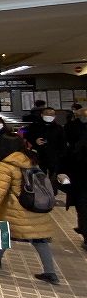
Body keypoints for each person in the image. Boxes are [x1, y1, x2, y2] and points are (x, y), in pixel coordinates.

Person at [0, 140, 60, 284]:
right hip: (35, 206)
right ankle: (50, 272)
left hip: (15, 208)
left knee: (5, 232)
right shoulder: (32, 160)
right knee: (40, 240)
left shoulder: (6, 165)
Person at [61, 106, 87, 249]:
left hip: (79, 178)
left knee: (82, 206)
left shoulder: (71, 130)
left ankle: (84, 230)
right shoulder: (72, 130)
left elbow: (65, 152)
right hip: (79, 177)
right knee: (82, 206)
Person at [26, 107, 65, 188]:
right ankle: (40, 193)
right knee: (39, 177)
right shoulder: (34, 126)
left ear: (55, 116)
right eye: (47, 114)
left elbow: (62, 143)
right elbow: (27, 135)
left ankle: (53, 193)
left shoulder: (58, 128)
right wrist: (35, 141)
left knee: (54, 177)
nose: (49, 116)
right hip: (38, 155)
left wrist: (61, 155)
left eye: (52, 114)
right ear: (42, 115)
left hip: (54, 156)